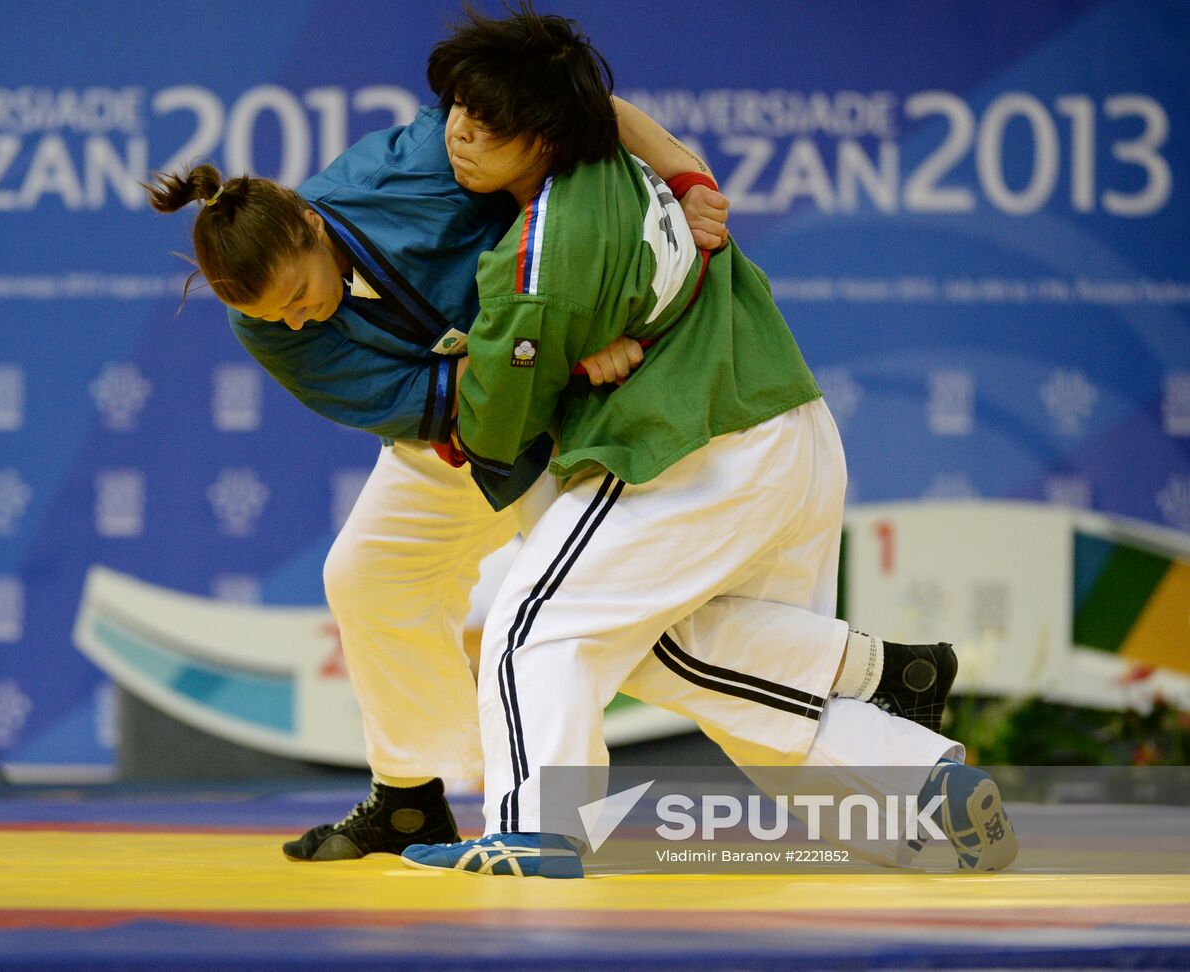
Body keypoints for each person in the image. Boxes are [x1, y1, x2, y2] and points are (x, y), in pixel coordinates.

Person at [146, 81, 957, 864]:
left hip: (568, 419)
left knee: (608, 634)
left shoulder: (411, 161)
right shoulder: (267, 331)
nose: (297, 319)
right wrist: (569, 341)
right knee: (367, 574)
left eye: (297, 294)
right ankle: (408, 793)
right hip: (473, 429)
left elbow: (579, 109)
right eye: (272, 316)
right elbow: (461, 404)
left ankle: (874, 688)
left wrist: (686, 177)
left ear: (306, 222)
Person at [398, 7, 1015, 878]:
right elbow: (618, 119)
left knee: (536, 630)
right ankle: (922, 791)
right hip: (786, 424)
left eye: (486, 121)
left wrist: (499, 369)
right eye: (456, 107)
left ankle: (534, 833)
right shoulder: (626, 164)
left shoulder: (541, 256)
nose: (459, 132)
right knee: (716, 683)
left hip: (690, 446)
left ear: (542, 137)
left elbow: (492, 423)